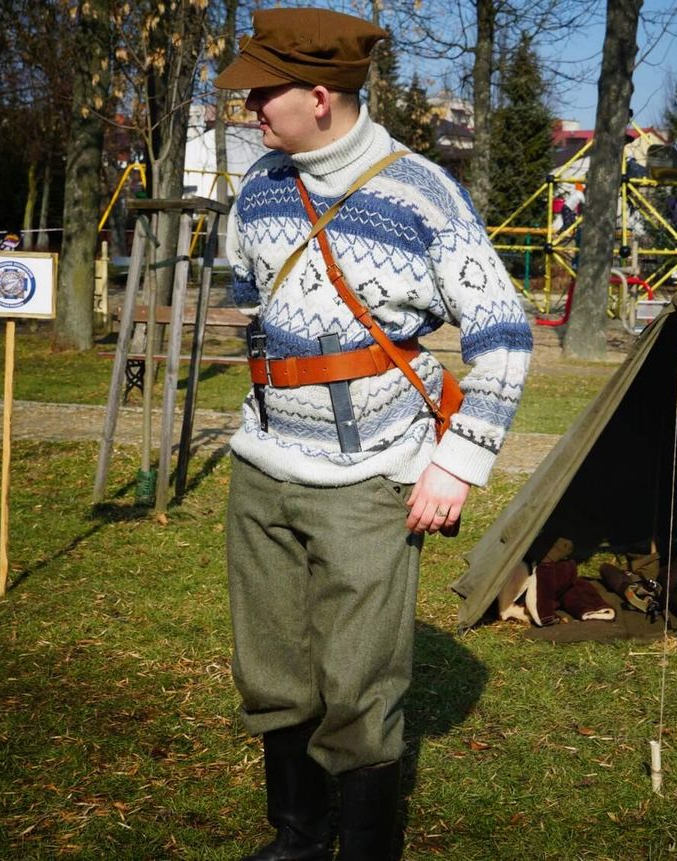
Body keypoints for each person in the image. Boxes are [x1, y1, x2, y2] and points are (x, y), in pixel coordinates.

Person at [213, 9, 532, 860]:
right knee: (271, 671)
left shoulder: (423, 192)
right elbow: (253, 297)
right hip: (262, 468)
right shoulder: (261, 186)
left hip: (370, 482)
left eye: (263, 92)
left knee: (358, 684)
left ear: (319, 96)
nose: (250, 108)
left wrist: (457, 464)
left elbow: (504, 333)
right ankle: (297, 836)